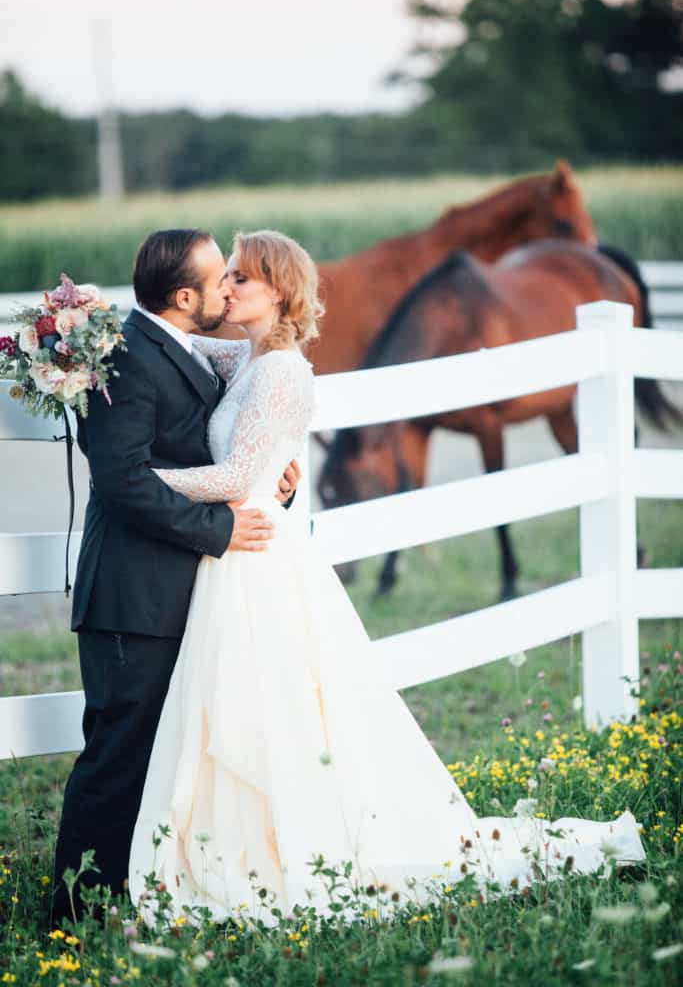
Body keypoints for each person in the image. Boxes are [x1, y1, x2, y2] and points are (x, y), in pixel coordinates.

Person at [128, 229, 645, 926]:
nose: (226, 289)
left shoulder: (281, 372)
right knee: (240, 703)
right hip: (235, 557)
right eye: (225, 279)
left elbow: (234, 478)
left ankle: (281, 843)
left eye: (240, 279)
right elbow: (171, 347)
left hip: (253, 557)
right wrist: (90, 333)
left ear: (277, 291)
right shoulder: (244, 356)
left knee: (266, 703)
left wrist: (135, 482)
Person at [52, 229, 300, 923]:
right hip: (132, 593)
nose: (228, 286)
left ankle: (142, 889)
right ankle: (76, 913)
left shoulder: (186, 348)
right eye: (220, 277)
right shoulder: (129, 358)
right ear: (184, 295)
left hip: (178, 591)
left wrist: (269, 486)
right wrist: (219, 529)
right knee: (118, 753)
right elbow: (123, 481)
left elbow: (237, 438)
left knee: (160, 752)